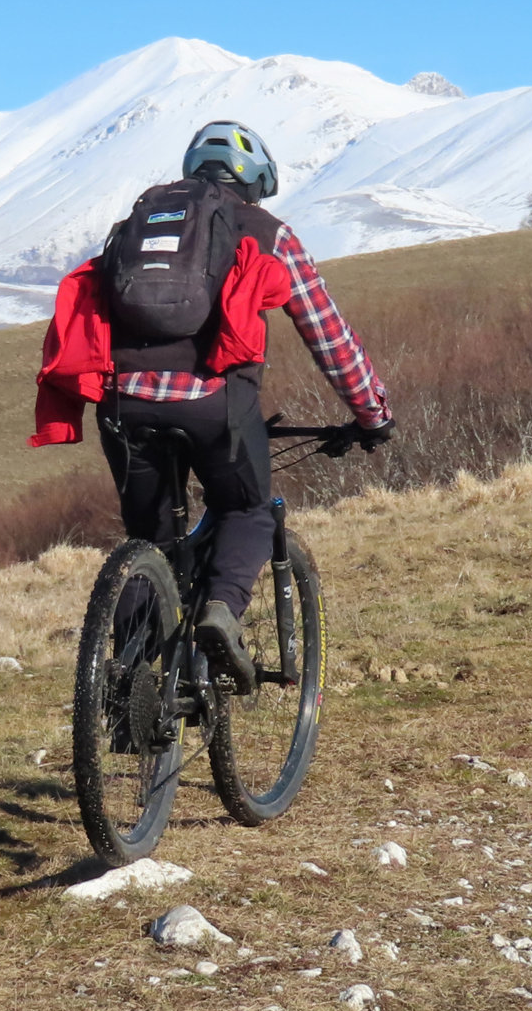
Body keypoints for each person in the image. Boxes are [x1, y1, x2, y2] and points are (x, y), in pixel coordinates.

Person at [30, 121, 392, 688]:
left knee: (149, 544)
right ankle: (222, 611)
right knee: (245, 508)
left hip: (123, 405)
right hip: (213, 404)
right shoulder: (268, 234)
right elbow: (327, 333)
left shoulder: (137, 225)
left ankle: (129, 694)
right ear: (256, 181)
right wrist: (371, 413)